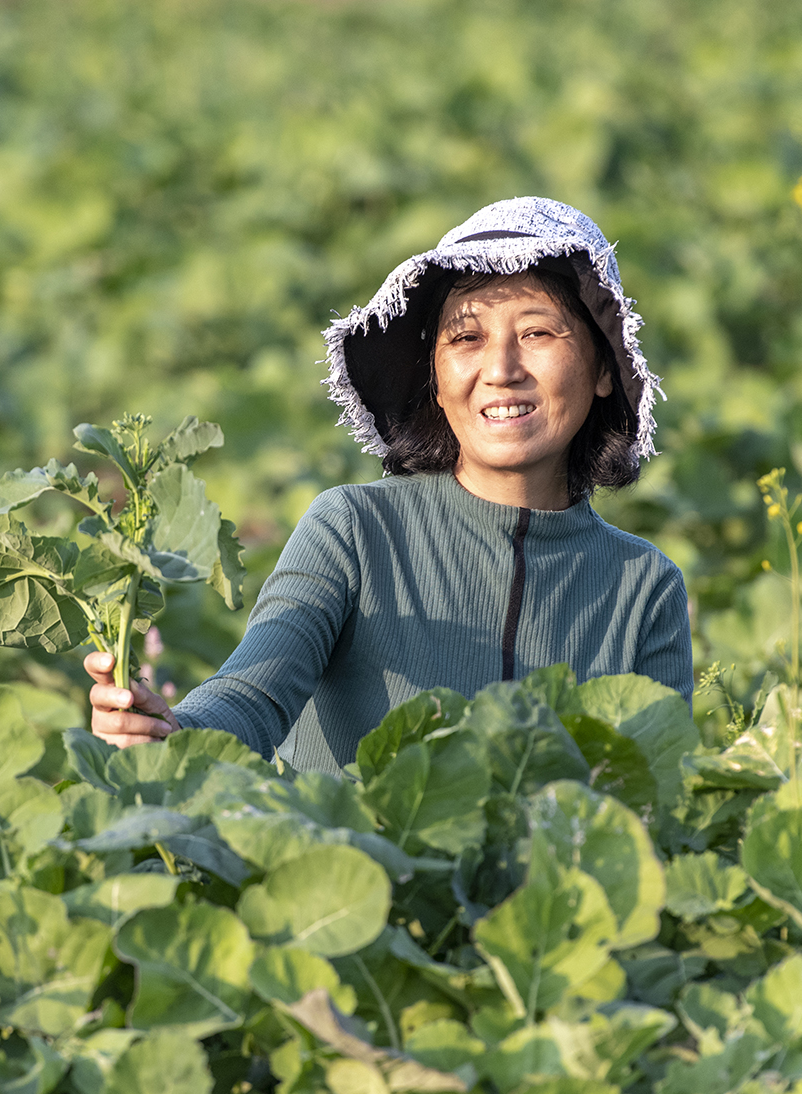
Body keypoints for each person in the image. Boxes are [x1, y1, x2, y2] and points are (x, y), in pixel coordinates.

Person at [86, 197, 692, 774]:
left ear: (606, 368)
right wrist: (169, 731)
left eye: (537, 333)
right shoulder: (352, 529)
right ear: (435, 372)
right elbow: (253, 694)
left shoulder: (643, 587)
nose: (501, 371)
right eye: (467, 338)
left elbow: (649, 797)